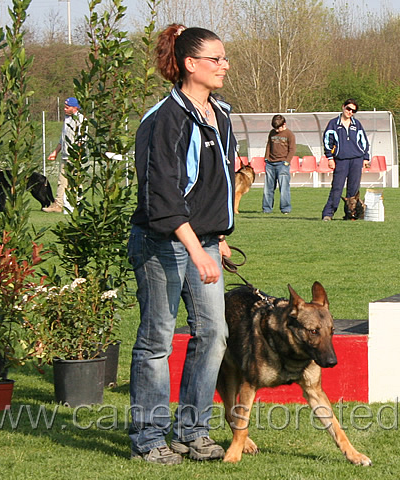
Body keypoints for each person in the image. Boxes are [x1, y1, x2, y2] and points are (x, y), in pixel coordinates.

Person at [127, 24, 235, 465]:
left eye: (226, 58)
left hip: (204, 242)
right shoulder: (163, 120)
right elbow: (163, 198)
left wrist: (220, 239)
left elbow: (217, 185)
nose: (225, 66)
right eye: (217, 59)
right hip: (162, 243)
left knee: (214, 333)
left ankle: (192, 431)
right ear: (191, 64)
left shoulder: (222, 115)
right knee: (157, 338)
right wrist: (195, 250)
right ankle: (148, 438)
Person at [321, 99, 370, 221]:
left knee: (353, 190)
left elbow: (363, 141)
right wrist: (330, 158)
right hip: (341, 160)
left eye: (353, 110)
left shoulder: (356, 124)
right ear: (343, 107)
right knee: (337, 188)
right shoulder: (333, 124)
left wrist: (365, 158)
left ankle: (351, 215)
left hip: (356, 159)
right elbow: (327, 141)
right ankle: (328, 213)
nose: (350, 112)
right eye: (348, 109)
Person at [42, 96, 84, 213]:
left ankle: (77, 204)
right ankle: (58, 205)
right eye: (64, 107)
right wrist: (55, 152)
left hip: (74, 157)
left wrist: (77, 155)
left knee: (75, 181)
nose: (65, 109)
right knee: (62, 181)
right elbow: (62, 139)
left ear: (75, 108)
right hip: (65, 156)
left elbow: (81, 140)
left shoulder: (80, 120)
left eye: (67, 107)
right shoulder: (66, 119)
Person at [262, 114, 296, 214]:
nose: (276, 130)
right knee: (268, 188)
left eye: (278, 128)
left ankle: (285, 209)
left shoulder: (289, 134)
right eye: (275, 128)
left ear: (284, 124)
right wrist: (266, 158)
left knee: (284, 188)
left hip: (283, 164)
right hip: (270, 164)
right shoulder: (272, 133)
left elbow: (292, 149)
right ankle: (267, 209)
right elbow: (269, 145)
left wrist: (287, 161)